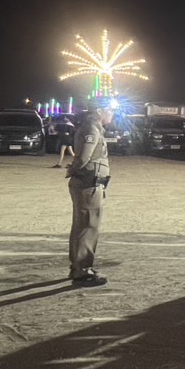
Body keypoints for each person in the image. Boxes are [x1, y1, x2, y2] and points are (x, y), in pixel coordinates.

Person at [66, 105, 115, 288]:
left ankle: (77, 266)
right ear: (100, 110)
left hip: (89, 184)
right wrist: (73, 169)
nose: (112, 114)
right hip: (89, 184)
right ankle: (82, 270)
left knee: (82, 225)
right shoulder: (91, 129)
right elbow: (83, 158)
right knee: (88, 226)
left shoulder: (92, 127)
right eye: (110, 110)